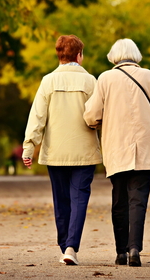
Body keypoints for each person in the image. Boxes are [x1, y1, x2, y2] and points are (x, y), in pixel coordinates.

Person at [84, 39, 150, 267]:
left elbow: (92, 115)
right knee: (138, 200)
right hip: (144, 148)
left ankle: (120, 252)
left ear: (113, 56)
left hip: (117, 148)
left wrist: (98, 121)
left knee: (119, 200)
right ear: (136, 55)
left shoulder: (105, 78)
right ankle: (135, 248)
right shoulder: (149, 76)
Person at [22, 35, 102, 265]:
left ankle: (63, 244)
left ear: (59, 55)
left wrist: (29, 147)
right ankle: (70, 247)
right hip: (84, 152)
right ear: (79, 55)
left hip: (55, 152)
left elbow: (37, 117)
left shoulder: (47, 81)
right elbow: (98, 116)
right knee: (79, 199)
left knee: (61, 200)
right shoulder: (90, 81)